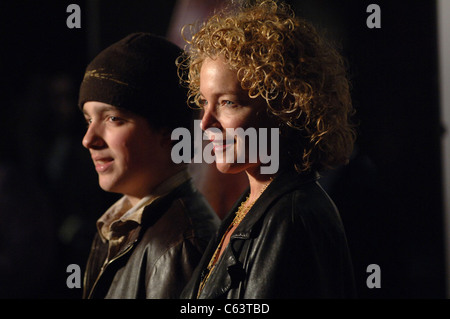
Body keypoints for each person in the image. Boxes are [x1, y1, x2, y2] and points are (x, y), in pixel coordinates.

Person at [178, 0, 357, 298]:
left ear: (285, 108)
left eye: (227, 103)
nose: (205, 123)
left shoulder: (293, 216)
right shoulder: (256, 205)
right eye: (203, 103)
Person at [78, 32, 219, 299]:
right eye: (88, 120)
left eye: (112, 119)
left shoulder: (182, 246)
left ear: (167, 131)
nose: (88, 139)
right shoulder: (119, 226)